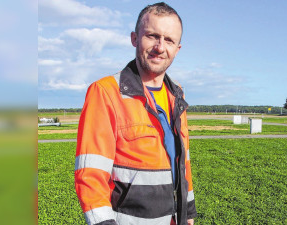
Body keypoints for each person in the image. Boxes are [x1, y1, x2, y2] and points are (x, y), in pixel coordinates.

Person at [74, 2, 197, 225]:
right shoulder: (106, 92)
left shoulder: (176, 95)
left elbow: (183, 162)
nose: (160, 47)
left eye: (169, 40)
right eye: (152, 36)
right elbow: (90, 174)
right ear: (134, 38)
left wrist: (187, 213)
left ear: (177, 49)